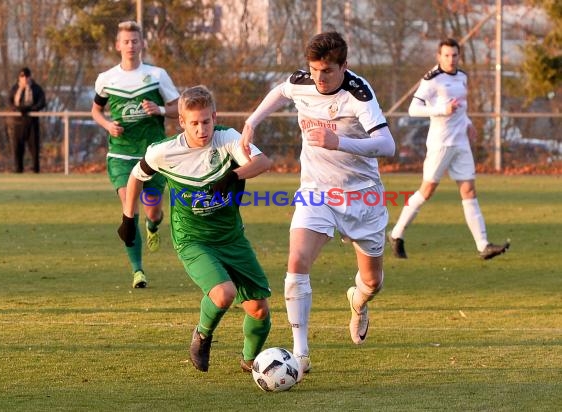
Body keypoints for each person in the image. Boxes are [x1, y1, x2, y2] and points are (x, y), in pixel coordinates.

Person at [240, 31, 396, 380]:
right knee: (296, 262)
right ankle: (300, 354)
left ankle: (358, 302)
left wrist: (337, 141)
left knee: (372, 282)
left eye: (326, 71)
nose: (319, 78)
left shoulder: (359, 95)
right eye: (314, 70)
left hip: (362, 196)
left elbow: (387, 145)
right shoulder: (302, 80)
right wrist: (252, 122)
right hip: (317, 192)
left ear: (344, 66)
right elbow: (281, 91)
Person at [118, 85, 273, 373]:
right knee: (224, 293)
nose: (201, 129)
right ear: (182, 122)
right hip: (192, 238)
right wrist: (128, 219)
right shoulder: (164, 152)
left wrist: (233, 175)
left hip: (231, 236)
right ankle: (202, 336)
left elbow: (263, 161)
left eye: (206, 121)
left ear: (215, 117)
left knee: (259, 310)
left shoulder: (227, 139)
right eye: (194, 123)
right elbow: (135, 176)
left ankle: (251, 362)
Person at [388, 38, 510, 260]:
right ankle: (396, 234)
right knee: (426, 191)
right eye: (446, 55)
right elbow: (413, 109)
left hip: (460, 142)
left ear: (458, 56)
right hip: (440, 143)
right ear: (439, 56)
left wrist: (469, 123)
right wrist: (442, 109)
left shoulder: (462, 76)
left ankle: (483, 245)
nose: (451, 59)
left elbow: (461, 108)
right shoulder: (432, 79)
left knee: (469, 191)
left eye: (454, 55)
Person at [92, 20, 180, 288]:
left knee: (152, 211)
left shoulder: (156, 75)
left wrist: (160, 110)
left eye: (135, 41)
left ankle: (153, 226)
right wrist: (108, 124)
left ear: (142, 43)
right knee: (128, 210)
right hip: (120, 156)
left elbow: (179, 108)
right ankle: (138, 271)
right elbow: (96, 110)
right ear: (118, 45)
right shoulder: (106, 79)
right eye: (125, 41)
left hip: (152, 155)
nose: (130, 45)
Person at [8, 67, 46, 173]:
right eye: (22, 76)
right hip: (18, 123)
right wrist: (18, 109)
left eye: (26, 76)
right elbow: (10, 101)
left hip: (32, 122)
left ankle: (36, 170)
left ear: (30, 77)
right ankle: (18, 169)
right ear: (19, 77)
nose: (24, 78)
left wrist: (31, 109)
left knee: (34, 148)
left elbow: (42, 102)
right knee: (17, 148)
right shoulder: (15, 88)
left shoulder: (36, 88)